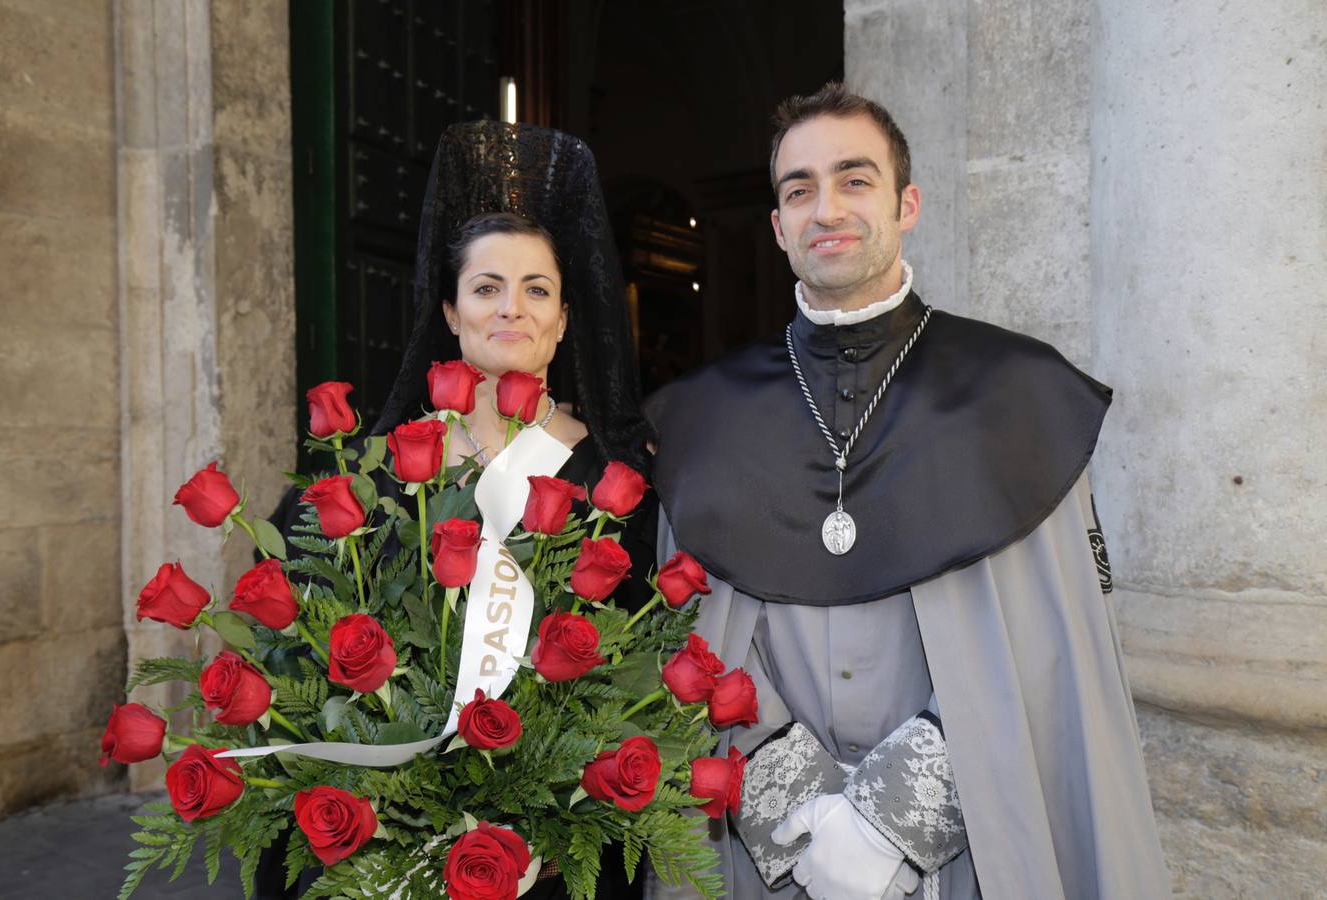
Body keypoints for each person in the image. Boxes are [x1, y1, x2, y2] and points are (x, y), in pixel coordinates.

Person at [646, 83, 1170, 899]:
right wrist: (804, 820)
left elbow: (1043, 645)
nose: (827, 209)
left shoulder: (1019, 399)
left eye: (855, 180)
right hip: (768, 852)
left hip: (971, 847)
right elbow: (692, 643)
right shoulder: (704, 419)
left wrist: (884, 825)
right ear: (778, 226)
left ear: (907, 204)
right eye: (799, 190)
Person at [258, 121, 653, 900]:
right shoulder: (373, 477)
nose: (513, 309)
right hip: (391, 840)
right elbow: (306, 660)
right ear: (449, 312)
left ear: (564, 318)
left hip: (549, 849)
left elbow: (630, 681)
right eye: (486, 288)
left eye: (536, 290)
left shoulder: (617, 488)